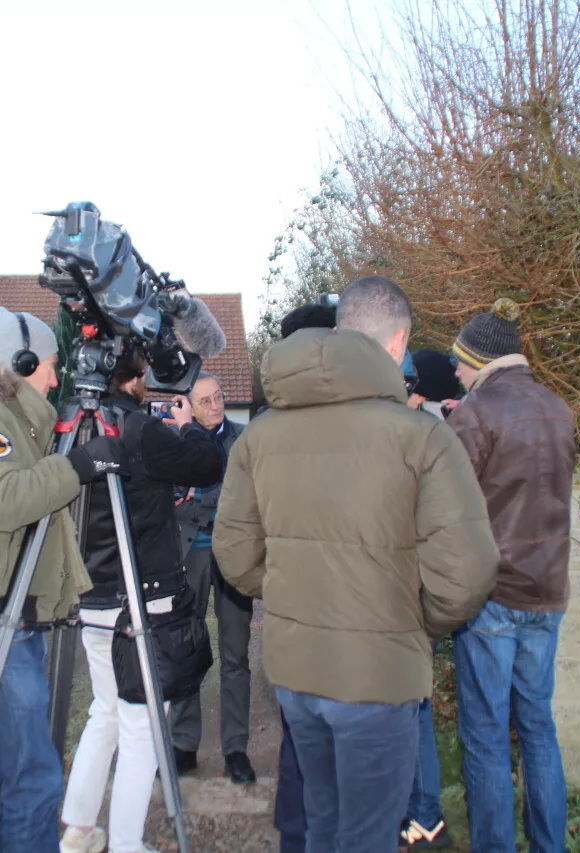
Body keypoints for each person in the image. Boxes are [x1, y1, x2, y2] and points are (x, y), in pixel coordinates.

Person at [212, 276, 500, 853]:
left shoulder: (258, 437)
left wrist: (291, 593)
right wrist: (416, 621)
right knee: (367, 837)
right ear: (400, 343)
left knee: (321, 823)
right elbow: (466, 574)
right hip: (379, 673)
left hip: (296, 671)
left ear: (341, 332)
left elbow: (235, 554)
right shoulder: (423, 438)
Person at [0, 306, 126, 853]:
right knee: (35, 778)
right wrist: (80, 465)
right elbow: (6, 500)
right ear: (21, 361)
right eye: (50, 366)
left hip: (6, 624)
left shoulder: (7, 417)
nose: (58, 379)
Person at [60, 346, 224, 853]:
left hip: (93, 591)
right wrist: (188, 424)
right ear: (136, 379)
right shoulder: (138, 428)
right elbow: (208, 463)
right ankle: (128, 843)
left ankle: (80, 831)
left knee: (105, 712)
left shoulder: (71, 424)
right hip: (143, 592)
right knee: (139, 724)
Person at [447, 298, 577, 853]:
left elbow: (449, 507)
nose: (455, 370)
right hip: (548, 593)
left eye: (459, 360)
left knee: (485, 738)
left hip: (493, 596)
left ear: (479, 360)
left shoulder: (474, 416)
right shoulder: (559, 409)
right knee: (540, 731)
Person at [260, 302, 337, 853]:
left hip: (289, 615)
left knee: (301, 738)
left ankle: (298, 835)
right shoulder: (360, 415)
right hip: (344, 615)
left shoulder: (264, 426)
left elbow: (236, 538)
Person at [169, 370, 257, 784]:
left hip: (234, 558)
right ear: (190, 405)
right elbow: (168, 495)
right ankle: (183, 745)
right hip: (190, 556)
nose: (216, 404)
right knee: (186, 650)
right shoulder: (176, 441)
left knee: (236, 655)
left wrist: (201, 496)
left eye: (219, 396)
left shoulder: (245, 439)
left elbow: (247, 492)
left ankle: (236, 748)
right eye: (205, 401)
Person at [398, 347, 464, 851]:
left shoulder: (424, 438)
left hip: (412, 591)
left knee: (412, 705)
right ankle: (418, 811)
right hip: (423, 589)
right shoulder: (443, 436)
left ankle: (422, 814)